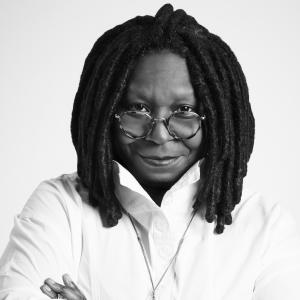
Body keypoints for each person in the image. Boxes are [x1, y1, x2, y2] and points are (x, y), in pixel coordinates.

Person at [1, 3, 300, 300]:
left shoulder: (265, 229)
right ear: (105, 112)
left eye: (185, 110)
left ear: (219, 118)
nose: (158, 135)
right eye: (137, 108)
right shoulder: (61, 206)